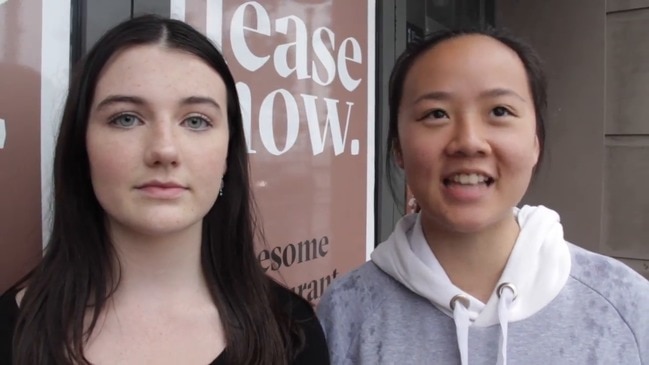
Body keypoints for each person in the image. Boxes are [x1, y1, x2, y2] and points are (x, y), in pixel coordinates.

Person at [0, 15, 329, 365]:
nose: (164, 150)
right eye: (126, 118)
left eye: (196, 121)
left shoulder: (292, 332)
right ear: (81, 147)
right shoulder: (10, 334)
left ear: (227, 156)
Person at [317, 26, 649, 365]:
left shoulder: (624, 303)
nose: (469, 141)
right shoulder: (346, 313)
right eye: (436, 114)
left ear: (536, 142)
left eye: (500, 111)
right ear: (398, 148)